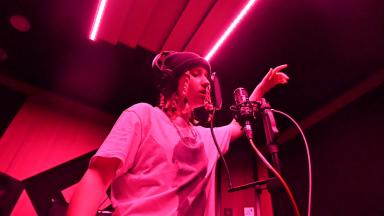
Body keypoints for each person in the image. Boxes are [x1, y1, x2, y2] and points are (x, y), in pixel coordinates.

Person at [67, 51, 289, 215]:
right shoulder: (143, 116)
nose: (206, 82)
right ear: (176, 80)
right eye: (196, 74)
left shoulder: (205, 137)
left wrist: (261, 89)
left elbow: (237, 125)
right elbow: (98, 175)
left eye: (207, 76)